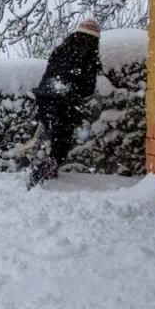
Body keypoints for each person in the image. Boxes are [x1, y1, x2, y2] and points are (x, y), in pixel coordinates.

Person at [27, 18, 104, 189]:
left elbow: (48, 73)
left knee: (54, 135)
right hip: (65, 101)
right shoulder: (89, 55)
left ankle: (47, 170)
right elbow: (87, 88)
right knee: (61, 142)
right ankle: (41, 173)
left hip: (45, 97)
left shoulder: (61, 50)